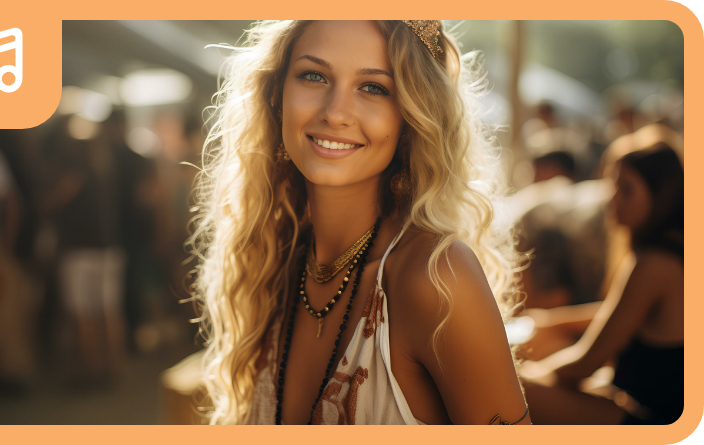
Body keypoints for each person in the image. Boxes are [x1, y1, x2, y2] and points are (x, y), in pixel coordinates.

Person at [186, 20, 530, 425]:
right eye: (313, 76)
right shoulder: (271, 267)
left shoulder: (436, 278)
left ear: (411, 116)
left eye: (373, 87)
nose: (335, 113)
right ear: (277, 94)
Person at [520, 144, 684, 424]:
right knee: (545, 346)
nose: (612, 200)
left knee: (516, 390)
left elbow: (586, 363)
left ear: (661, 196)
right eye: (612, 186)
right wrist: (550, 323)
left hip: (654, 419)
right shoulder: (663, 254)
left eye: (627, 189)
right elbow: (616, 313)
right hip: (635, 397)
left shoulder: (655, 265)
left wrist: (530, 374)